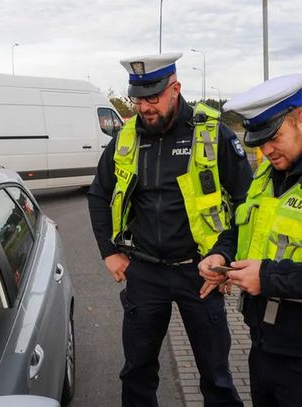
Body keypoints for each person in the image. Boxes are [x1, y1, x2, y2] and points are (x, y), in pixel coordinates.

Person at [88, 52, 252, 406]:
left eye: (153, 97)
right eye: (138, 98)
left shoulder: (211, 134)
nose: (144, 107)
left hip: (200, 274)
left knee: (217, 377)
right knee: (137, 371)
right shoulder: (126, 137)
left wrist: (225, 254)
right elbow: (99, 193)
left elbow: (246, 201)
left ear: (175, 89)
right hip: (144, 272)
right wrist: (110, 252)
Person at [198, 73, 302, 407]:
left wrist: (268, 277)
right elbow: (243, 227)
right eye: (258, 142)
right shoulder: (267, 175)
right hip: (264, 345)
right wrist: (221, 254)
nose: (266, 150)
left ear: (300, 118)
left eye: (274, 137)